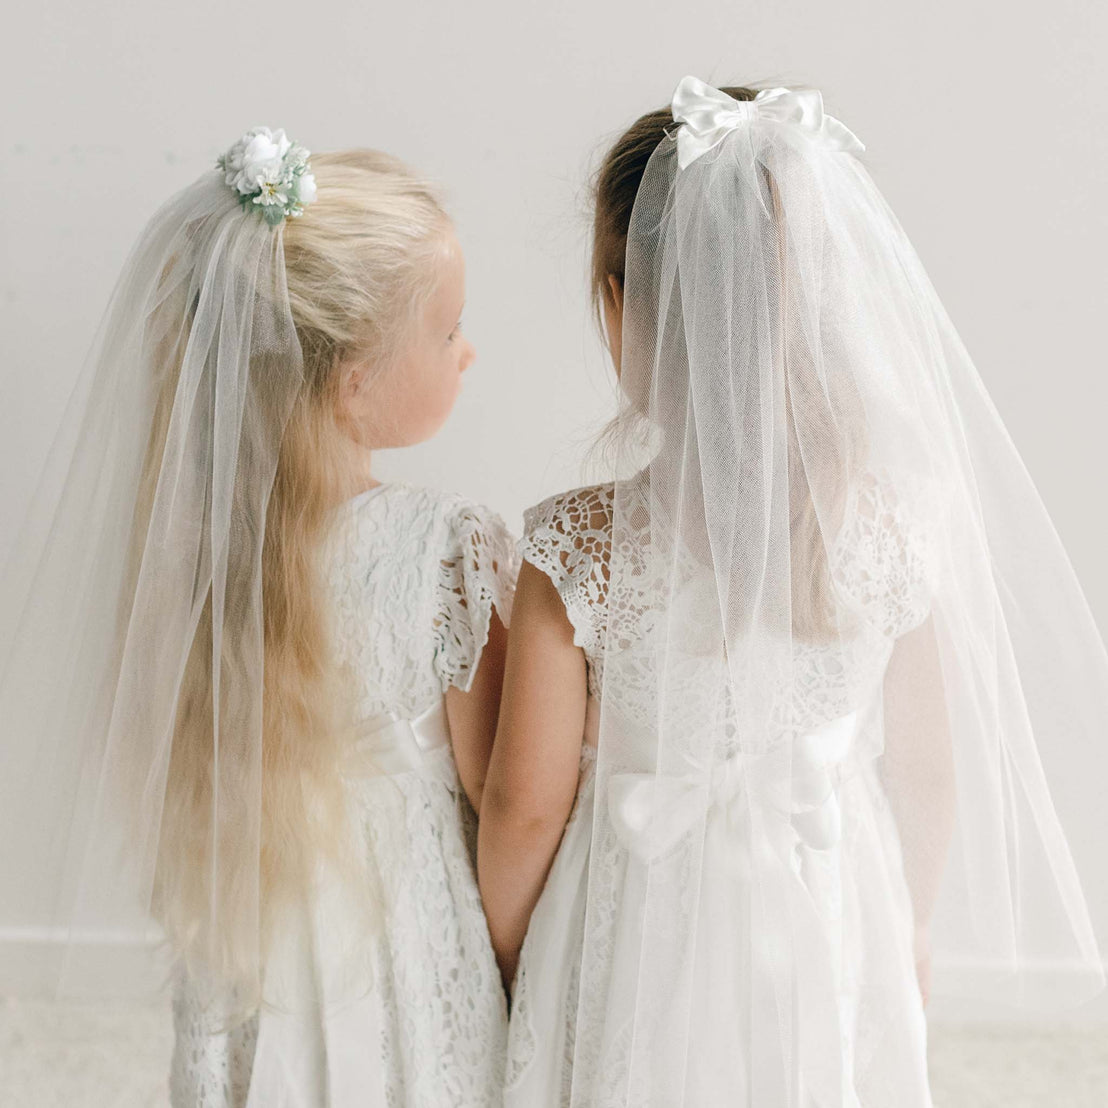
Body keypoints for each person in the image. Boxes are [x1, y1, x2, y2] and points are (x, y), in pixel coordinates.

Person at [479, 77, 1106, 1106]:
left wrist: (510, 954)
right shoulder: (897, 529)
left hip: (636, 927)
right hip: (827, 904)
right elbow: (926, 774)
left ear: (622, 312)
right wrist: (904, 924)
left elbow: (522, 807)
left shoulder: (577, 549)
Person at [0, 128, 515, 1107]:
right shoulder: (446, 548)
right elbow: (494, 790)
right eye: (447, 331)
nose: (467, 351)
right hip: (406, 935)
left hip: (249, 919)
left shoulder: (191, 550)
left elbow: (152, 744)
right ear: (354, 381)